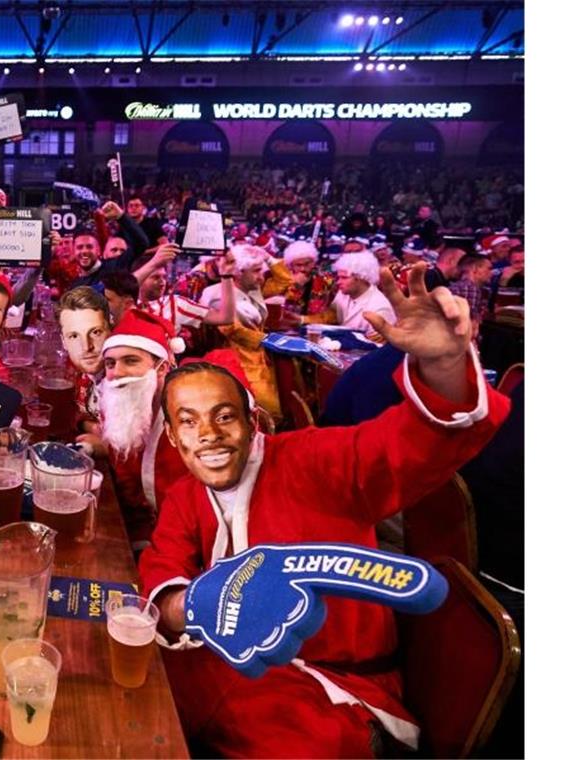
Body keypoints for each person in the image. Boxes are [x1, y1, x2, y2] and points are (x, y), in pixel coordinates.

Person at [139, 264, 510, 757]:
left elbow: (414, 444)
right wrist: (191, 605)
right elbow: (163, 570)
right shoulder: (187, 494)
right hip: (224, 677)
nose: (207, 435)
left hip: (334, 702)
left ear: (255, 421)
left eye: (224, 416)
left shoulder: (319, 460)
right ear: (172, 436)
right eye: (189, 422)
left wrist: (444, 366)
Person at [85, 309, 191, 550]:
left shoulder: (189, 415)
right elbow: (129, 488)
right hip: (143, 534)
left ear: (162, 368)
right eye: (110, 364)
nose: (117, 373)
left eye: (131, 361)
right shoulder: (118, 407)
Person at [199, 245, 281, 421]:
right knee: (269, 412)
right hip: (238, 361)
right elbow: (232, 330)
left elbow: (286, 282)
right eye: (257, 271)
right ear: (238, 273)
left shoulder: (253, 289)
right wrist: (268, 340)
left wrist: (267, 257)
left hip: (262, 360)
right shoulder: (218, 295)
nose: (262, 277)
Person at [135, 246, 235, 337]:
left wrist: (226, 275)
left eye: (164, 277)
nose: (162, 282)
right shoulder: (124, 304)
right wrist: (153, 263)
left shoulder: (174, 304)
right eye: (156, 277)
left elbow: (225, 317)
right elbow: (125, 287)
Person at [303, 252, 398, 339]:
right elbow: (329, 318)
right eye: (338, 277)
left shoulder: (380, 308)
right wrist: (301, 320)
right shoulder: (344, 293)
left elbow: (378, 348)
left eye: (344, 278)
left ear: (361, 278)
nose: (338, 282)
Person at [58, 286, 112, 425]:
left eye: (95, 332)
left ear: (110, 331)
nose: (86, 347)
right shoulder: (74, 375)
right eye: (74, 336)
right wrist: (86, 425)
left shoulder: (127, 381)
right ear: (64, 342)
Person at [263, 240, 336, 319]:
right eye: (298, 265)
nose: (303, 269)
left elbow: (331, 310)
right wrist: (297, 286)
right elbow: (288, 310)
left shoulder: (326, 279)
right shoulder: (283, 279)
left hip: (316, 323)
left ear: (314, 262)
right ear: (291, 266)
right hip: (287, 324)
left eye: (307, 264)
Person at [450, 253, 494, 329]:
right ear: (474, 269)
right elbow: (471, 324)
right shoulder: (470, 288)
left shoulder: (458, 286)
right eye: (489, 268)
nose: (492, 273)